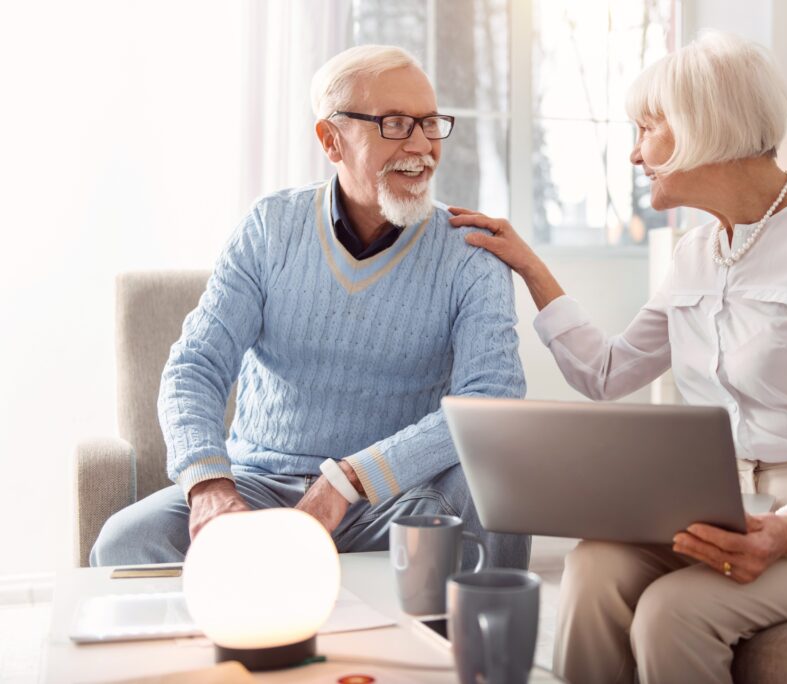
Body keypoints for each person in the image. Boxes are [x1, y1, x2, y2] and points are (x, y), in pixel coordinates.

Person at [449, 31, 787, 684]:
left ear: (700, 129)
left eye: (646, 129)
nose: (634, 153)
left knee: (673, 613)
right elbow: (607, 374)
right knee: (593, 565)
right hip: (731, 506)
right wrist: (530, 267)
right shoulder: (694, 253)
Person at [90, 45, 529, 571]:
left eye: (429, 123)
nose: (422, 146)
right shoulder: (270, 227)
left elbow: (490, 401)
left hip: (393, 500)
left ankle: (471, 655)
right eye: (394, 123)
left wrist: (349, 479)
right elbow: (194, 367)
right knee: (125, 542)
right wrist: (210, 487)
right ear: (330, 140)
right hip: (259, 489)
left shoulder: (470, 252)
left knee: (494, 484)